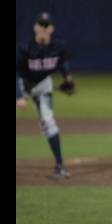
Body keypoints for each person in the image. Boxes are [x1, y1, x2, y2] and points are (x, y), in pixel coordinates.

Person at [16, 12, 75, 179]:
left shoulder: (59, 46)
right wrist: (19, 96)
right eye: (40, 25)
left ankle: (60, 166)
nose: (42, 28)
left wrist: (68, 79)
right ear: (35, 27)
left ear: (51, 28)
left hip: (43, 85)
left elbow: (62, 63)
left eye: (46, 25)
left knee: (48, 122)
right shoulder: (24, 47)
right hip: (23, 83)